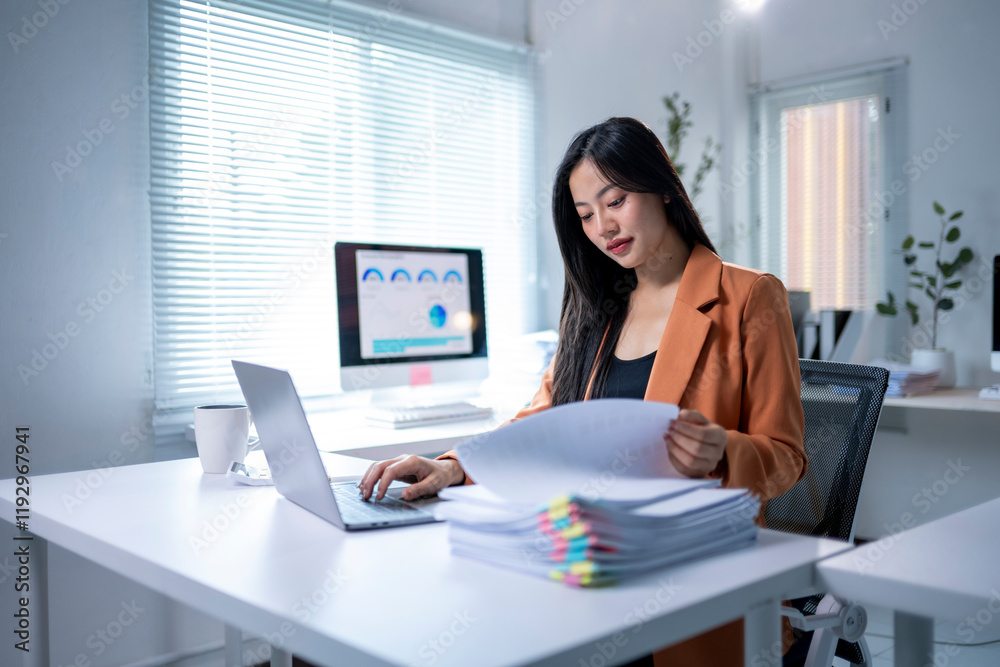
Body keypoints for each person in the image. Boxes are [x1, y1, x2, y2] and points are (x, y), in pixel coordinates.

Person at [359, 117, 806, 666]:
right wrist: (453, 466)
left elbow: (785, 457)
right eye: (586, 215)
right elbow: (542, 419)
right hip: (590, 566)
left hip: (691, 578)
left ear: (663, 187)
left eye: (615, 201)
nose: (603, 227)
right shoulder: (599, 305)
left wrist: (723, 452)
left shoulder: (749, 297)